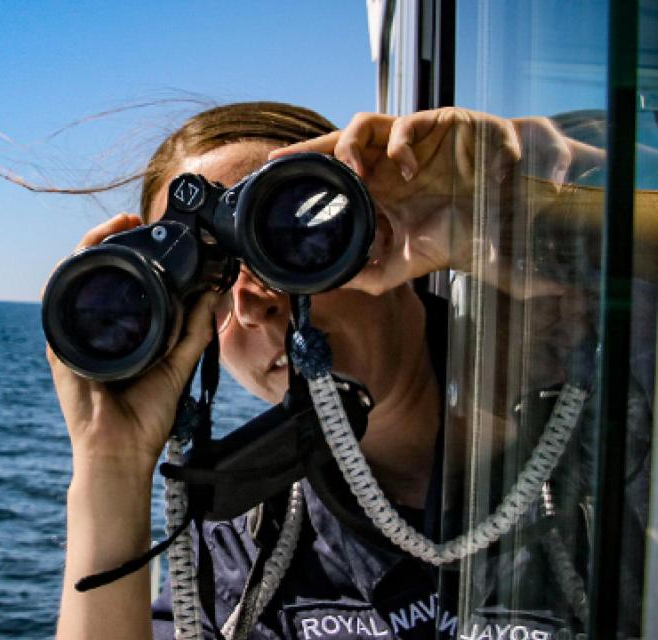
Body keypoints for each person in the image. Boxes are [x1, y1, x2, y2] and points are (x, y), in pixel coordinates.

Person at [45, 102, 651, 639]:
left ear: (379, 229)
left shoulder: (617, 434)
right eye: (207, 286)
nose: (250, 303)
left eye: (294, 237)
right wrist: (111, 466)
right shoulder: (242, 545)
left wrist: (535, 208)